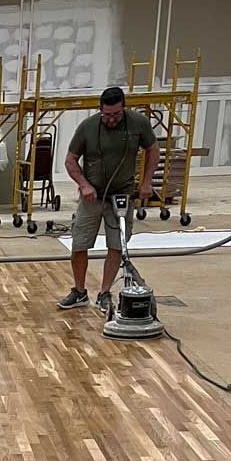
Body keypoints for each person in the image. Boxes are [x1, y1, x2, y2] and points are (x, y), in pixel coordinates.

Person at [57, 87, 159, 313]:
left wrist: (146, 182)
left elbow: (153, 150)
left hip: (122, 195)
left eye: (116, 114)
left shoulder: (138, 124)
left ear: (124, 108)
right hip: (93, 197)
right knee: (79, 243)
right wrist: (84, 185)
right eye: (107, 115)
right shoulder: (88, 127)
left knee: (116, 245)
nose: (111, 119)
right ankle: (79, 291)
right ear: (100, 110)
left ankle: (104, 293)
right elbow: (71, 160)